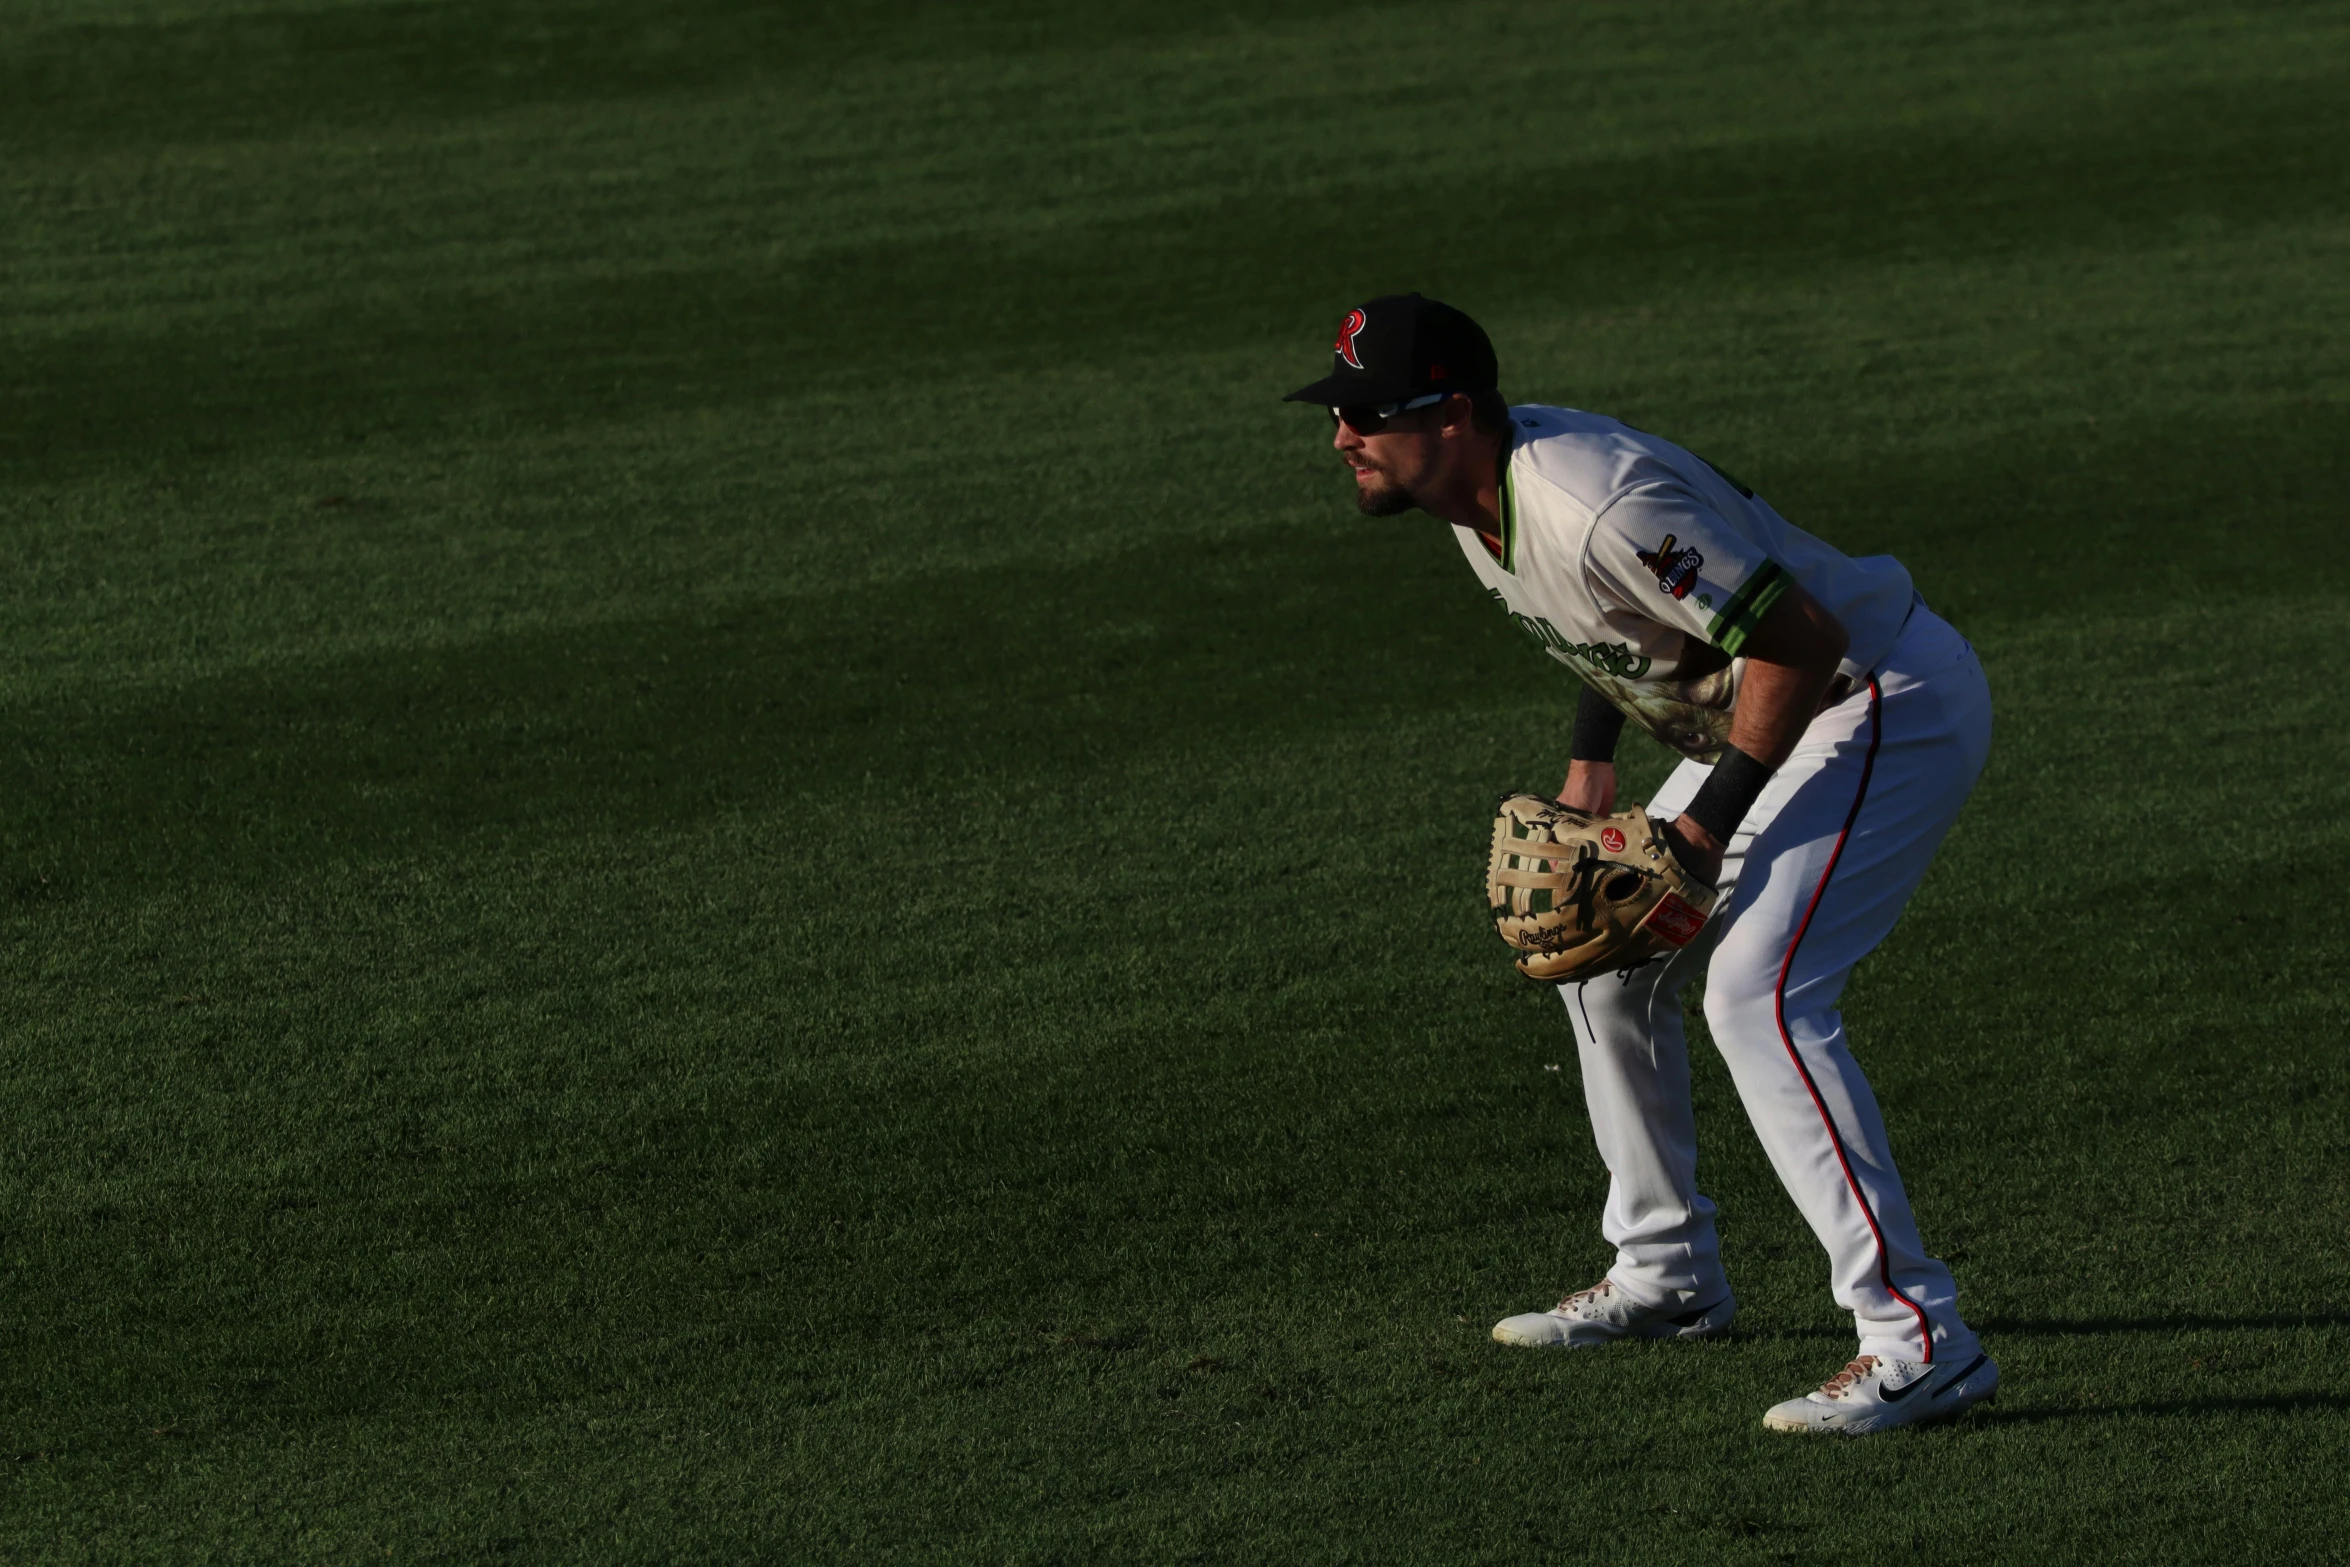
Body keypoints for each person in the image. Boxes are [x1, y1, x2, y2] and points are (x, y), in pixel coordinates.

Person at [1285, 293, 1998, 1435]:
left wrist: (1702, 828)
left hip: (1874, 700)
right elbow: (1621, 623)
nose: (1341, 436)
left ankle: (1918, 1337)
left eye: (1366, 412)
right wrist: (1589, 767)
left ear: (1453, 413)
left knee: (1758, 993)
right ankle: (1665, 1274)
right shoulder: (1470, 493)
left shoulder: (1595, 500)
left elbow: (1799, 643)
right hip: (1770, 707)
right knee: (1600, 961)